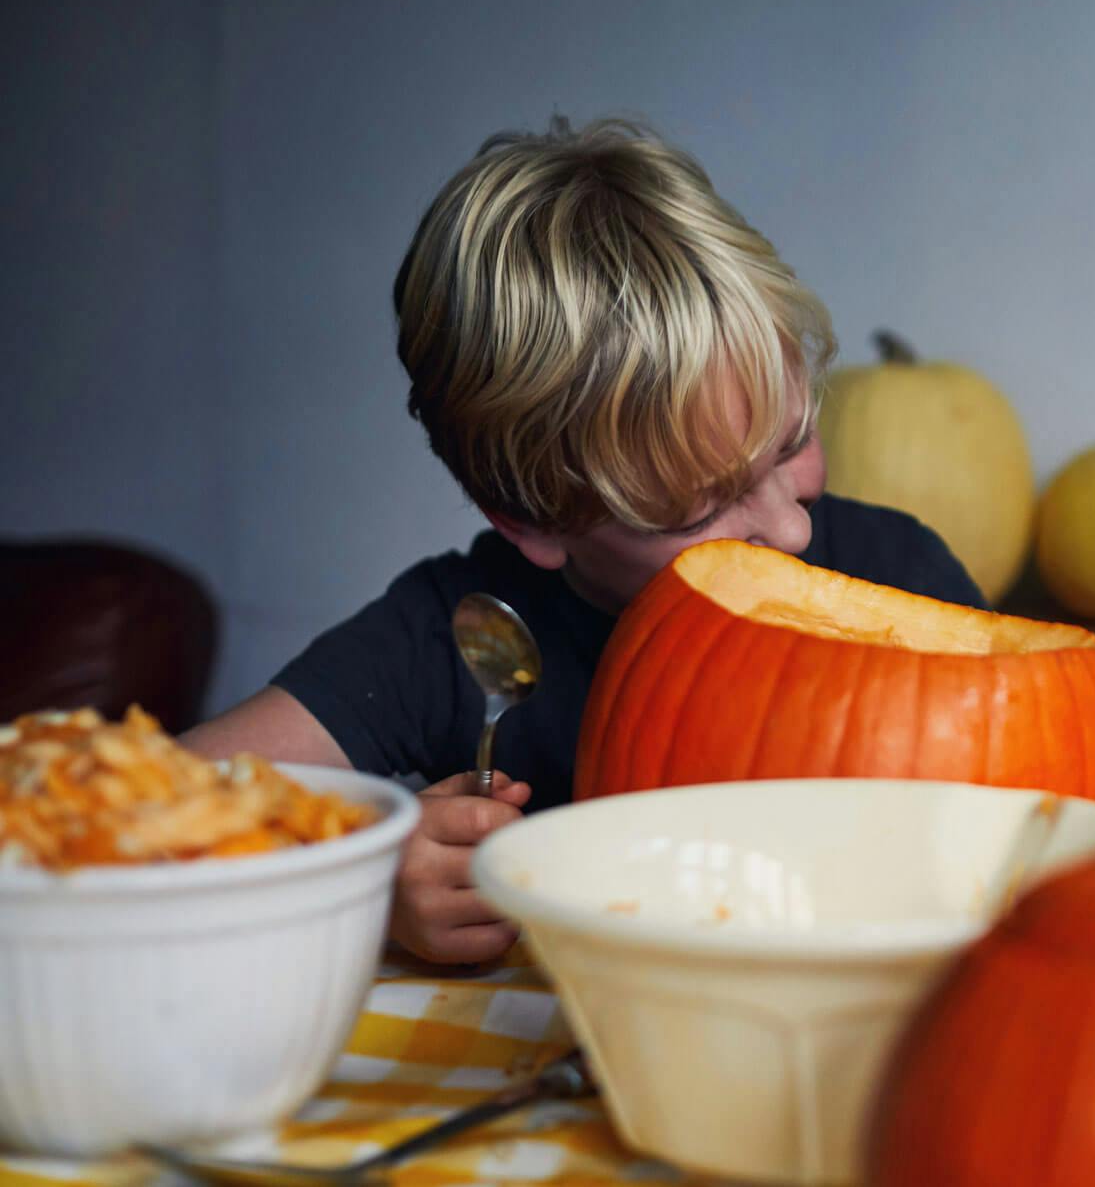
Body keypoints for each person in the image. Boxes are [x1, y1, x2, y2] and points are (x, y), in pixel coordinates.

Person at [183, 119, 982, 964]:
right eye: (696, 510)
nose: (792, 527)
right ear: (531, 521)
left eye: (792, 443)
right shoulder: (463, 643)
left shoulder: (903, 574)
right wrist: (362, 879)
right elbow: (146, 815)